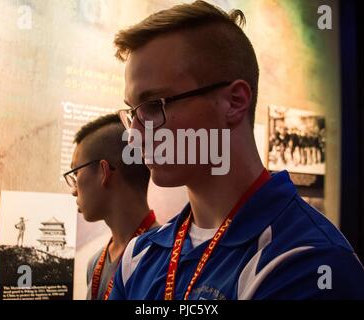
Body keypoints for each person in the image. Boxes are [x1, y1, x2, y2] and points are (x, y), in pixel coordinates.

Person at [110, 1, 364, 300]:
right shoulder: (140, 255)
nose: (136, 134)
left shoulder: (310, 260)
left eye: (154, 106)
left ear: (234, 102)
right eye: (132, 112)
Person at [63, 113, 160, 300]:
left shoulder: (164, 258)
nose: (74, 190)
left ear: (103, 172)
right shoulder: (96, 261)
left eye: (76, 174)